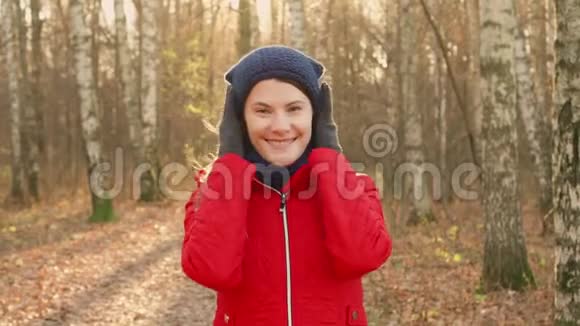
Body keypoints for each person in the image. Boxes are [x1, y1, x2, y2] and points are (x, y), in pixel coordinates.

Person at [181, 45, 392, 326]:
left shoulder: (354, 187)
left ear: (316, 117)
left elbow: (363, 257)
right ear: (241, 121)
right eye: (262, 111)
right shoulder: (213, 192)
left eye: (294, 109)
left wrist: (330, 158)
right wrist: (229, 162)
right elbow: (211, 271)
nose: (280, 126)